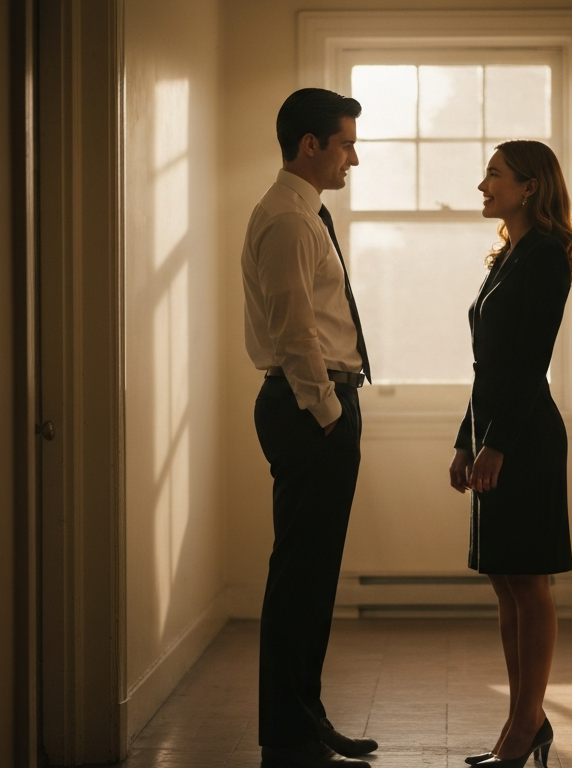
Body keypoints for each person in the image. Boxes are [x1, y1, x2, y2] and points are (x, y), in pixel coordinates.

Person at [241, 88, 379, 768]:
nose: (353, 157)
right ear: (310, 145)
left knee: (311, 577)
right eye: (346, 143)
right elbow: (294, 332)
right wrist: (328, 414)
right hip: (308, 410)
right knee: (301, 578)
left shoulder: (301, 213)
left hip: (312, 407)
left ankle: (303, 721)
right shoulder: (290, 220)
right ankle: (290, 736)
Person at [448, 140, 572, 768]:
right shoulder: (508, 255)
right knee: (505, 581)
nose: (483, 186)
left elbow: (529, 362)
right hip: (497, 432)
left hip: (524, 438)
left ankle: (526, 723)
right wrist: (465, 440)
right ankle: (524, 718)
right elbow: (489, 367)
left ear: (530, 187)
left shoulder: (546, 255)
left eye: (494, 174)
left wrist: (496, 444)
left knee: (528, 581)